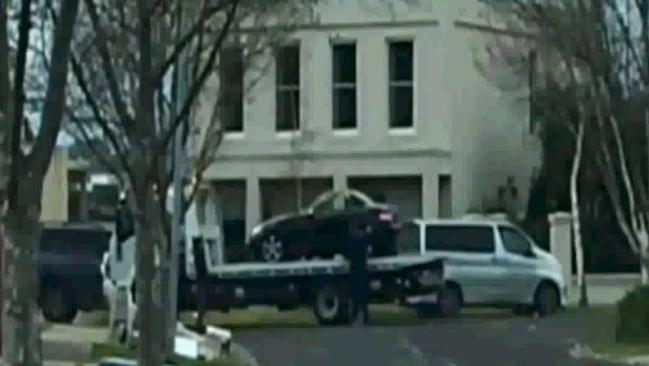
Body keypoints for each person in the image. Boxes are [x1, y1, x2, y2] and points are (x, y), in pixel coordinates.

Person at [347, 222, 370, 325]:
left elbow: (348, 255)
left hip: (355, 271)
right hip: (362, 271)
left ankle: (354, 317)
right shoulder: (364, 242)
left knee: (356, 298)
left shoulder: (353, 242)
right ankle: (364, 318)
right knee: (363, 298)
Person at [191, 236, 209, 334]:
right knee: (202, 304)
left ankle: (199, 323)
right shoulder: (199, 254)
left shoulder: (195, 254)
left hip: (199, 281)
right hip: (201, 281)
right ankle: (199, 324)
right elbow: (203, 268)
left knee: (201, 304)